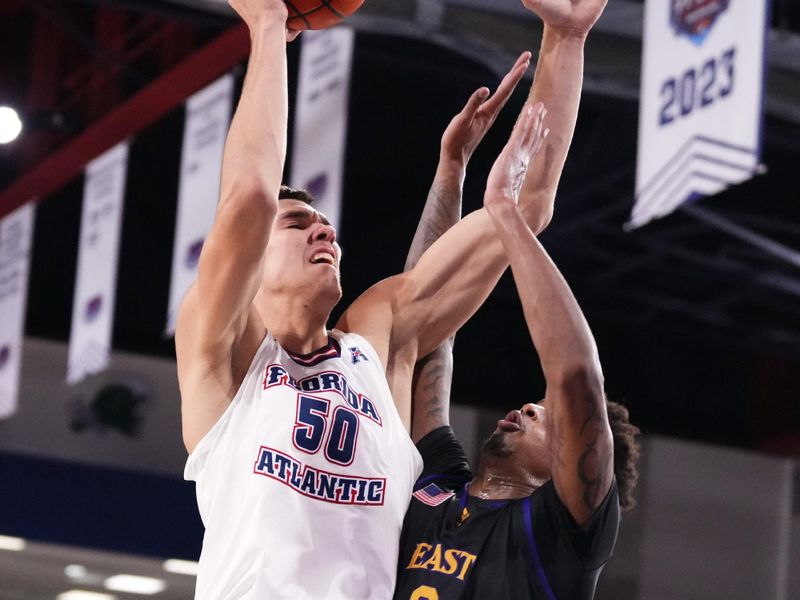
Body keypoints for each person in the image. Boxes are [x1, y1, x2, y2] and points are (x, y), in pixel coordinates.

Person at [176, 0, 552, 597]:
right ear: (251, 262)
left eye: (325, 223)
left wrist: (566, 39)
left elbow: (525, 210)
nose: (324, 231)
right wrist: (268, 24)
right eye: (297, 223)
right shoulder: (224, 350)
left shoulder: (373, 347)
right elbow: (249, 196)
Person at [393, 148, 641, 600]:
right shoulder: (437, 484)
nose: (529, 407)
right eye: (537, 405)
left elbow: (575, 375)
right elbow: (420, 323)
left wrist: (507, 213)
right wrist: (451, 169)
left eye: (549, 417)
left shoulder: (560, 538)